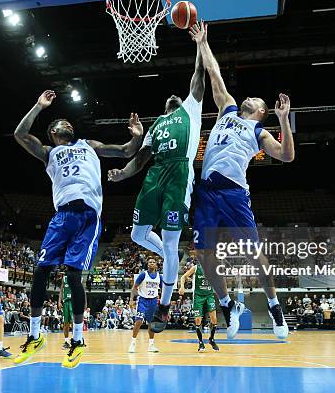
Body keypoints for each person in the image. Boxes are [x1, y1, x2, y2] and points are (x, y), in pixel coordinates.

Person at [12, 89, 143, 369]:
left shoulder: (89, 145)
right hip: (62, 217)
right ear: (53, 133)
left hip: (87, 216)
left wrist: (136, 136)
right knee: (40, 271)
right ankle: (34, 335)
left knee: (73, 276)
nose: (68, 125)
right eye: (62, 124)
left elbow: (125, 151)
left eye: (70, 123)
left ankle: (78, 340)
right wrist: (37, 106)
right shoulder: (49, 152)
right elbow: (20, 135)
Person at [187, 22, 294, 339]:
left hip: (234, 194)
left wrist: (284, 120)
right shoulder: (228, 109)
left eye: (256, 100)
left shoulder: (259, 132)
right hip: (207, 191)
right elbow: (214, 74)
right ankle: (226, 306)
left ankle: (275, 310)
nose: (249, 97)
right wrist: (203, 42)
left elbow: (287, 156)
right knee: (204, 255)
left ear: (262, 111)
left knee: (254, 255)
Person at [108, 27, 206, 334]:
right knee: (138, 235)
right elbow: (140, 158)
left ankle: (163, 307)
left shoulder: (191, 109)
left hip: (178, 175)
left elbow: (198, 79)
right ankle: (169, 257)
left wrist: (201, 47)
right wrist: (123, 172)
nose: (174, 97)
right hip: (154, 177)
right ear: (165, 107)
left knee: (172, 239)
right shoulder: (157, 125)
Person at [178, 263, 219, 352]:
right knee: (197, 320)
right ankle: (201, 343)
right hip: (198, 296)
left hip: (209, 295)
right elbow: (183, 277)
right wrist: (182, 287)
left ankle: (211, 339)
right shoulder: (196, 268)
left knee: (214, 319)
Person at [128, 257, 161, 353]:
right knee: (139, 321)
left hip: (153, 301)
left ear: (156, 265)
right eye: (150, 262)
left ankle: (151, 345)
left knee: (152, 324)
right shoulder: (143, 275)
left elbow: (164, 289)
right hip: (142, 300)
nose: (151, 263)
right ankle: (132, 343)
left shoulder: (159, 276)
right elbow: (134, 288)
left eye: (153, 262)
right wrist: (131, 299)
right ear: (147, 264)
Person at [58, 272, 73, 350]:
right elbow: (61, 290)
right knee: (66, 323)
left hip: (74, 302)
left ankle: (75, 340)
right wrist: (59, 301)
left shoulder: (77, 277)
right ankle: (67, 341)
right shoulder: (64, 278)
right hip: (66, 302)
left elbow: (82, 291)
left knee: (74, 322)